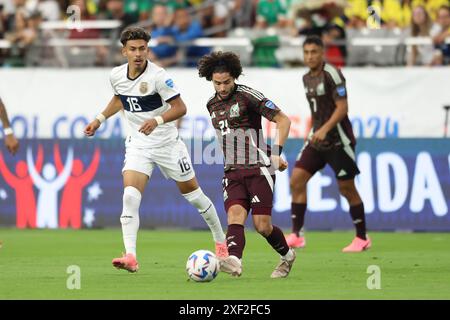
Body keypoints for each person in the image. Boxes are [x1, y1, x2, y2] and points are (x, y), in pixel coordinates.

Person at [83, 27, 228, 273]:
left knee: (195, 197)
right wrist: (99, 119)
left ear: (147, 50)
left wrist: (158, 120)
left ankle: (220, 242)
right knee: (130, 196)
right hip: (139, 144)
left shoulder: (159, 76)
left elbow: (181, 108)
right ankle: (131, 256)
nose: (138, 54)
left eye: (142, 49)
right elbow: (119, 98)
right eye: (133, 49)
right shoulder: (116, 75)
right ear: (124, 51)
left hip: (167, 144)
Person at [197, 51, 296, 278]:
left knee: (262, 226)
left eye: (227, 82)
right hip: (232, 171)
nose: (222, 88)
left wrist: (276, 153)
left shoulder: (248, 96)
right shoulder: (211, 104)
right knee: (234, 217)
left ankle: (288, 257)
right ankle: (234, 261)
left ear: (235, 78)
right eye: (217, 83)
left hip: (258, 167)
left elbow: (283, 120)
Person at [286, 35, 371, 252]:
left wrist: (324, 129)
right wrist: (316, 129)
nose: (310, 56)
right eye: (306, 52)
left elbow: (342, 108)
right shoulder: (306, 78)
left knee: (346, 188)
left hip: (338, 141)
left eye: (314, 52)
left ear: (322, 53)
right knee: (296, 180)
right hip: (317, 140)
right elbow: (318, 111)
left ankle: (362, 238)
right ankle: (297, 235)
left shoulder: (332, 73)